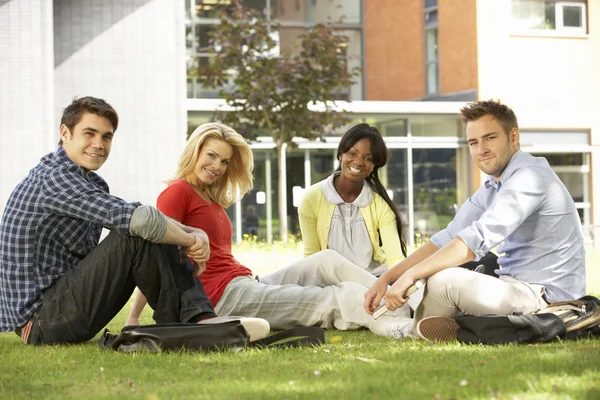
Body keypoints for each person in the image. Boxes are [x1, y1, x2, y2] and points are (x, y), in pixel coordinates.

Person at [0, 97, 268, 345]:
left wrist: (194, 232)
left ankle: (196, 323)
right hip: (42, 322)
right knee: (139, 230)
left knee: (148, 226)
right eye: (89, 133)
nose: (99, 144)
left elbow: (142, 218)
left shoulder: (87, 181)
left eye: (106, 137)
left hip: (61, 306)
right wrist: (191, 239)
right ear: (65, 133)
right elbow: (138, 221)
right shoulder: (55, 179)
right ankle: (198, 320)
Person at [127, 122, 412, 337]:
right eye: (211, 156)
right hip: (220, 298)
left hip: (245, 284)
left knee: (327, 260)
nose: (217, 166)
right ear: (195, 151)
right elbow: (154, 255)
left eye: (224, 161)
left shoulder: (208, 196)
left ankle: (397, 296)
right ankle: (401, 325)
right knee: (329, 299)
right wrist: (134, 318)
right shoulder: (178, 192)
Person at [364, 100, 586, 340]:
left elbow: (473, 242)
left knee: (445, 281)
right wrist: (387, 278)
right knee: (442, 267)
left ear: (513, 137)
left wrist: (412, 275)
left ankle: (409, 330)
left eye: (490, 138)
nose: (481, 149)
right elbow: (446, 239)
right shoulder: (494, 184)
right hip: (513, 286)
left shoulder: (529, 178)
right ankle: (425, 320)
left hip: (546, 300)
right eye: (473, 142)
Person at [295, 123, 408, 277]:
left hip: (373, 280)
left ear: (374, 166)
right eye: (352, 154)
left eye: (368, 158)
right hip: (331, 281)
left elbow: (395, 258)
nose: (359, 162)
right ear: (341, 154)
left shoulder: (380, 205)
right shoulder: (312, 198)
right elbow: (311, 257)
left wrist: (408, 284)